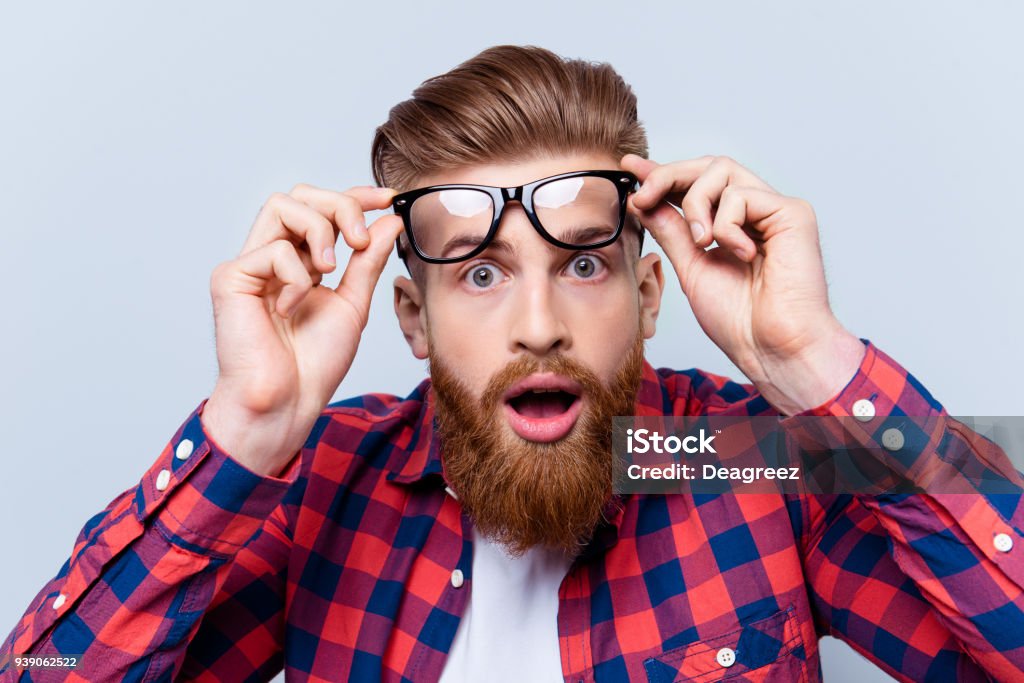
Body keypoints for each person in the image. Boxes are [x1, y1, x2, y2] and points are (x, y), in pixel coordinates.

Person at [2, 44, 1022, 683]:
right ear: (413, 314)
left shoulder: (747, 455)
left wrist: (816, 365)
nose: (539, 322)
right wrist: (242, 432)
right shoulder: (320, 480)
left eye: (583, 263)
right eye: (480, 275)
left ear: (649, 295)